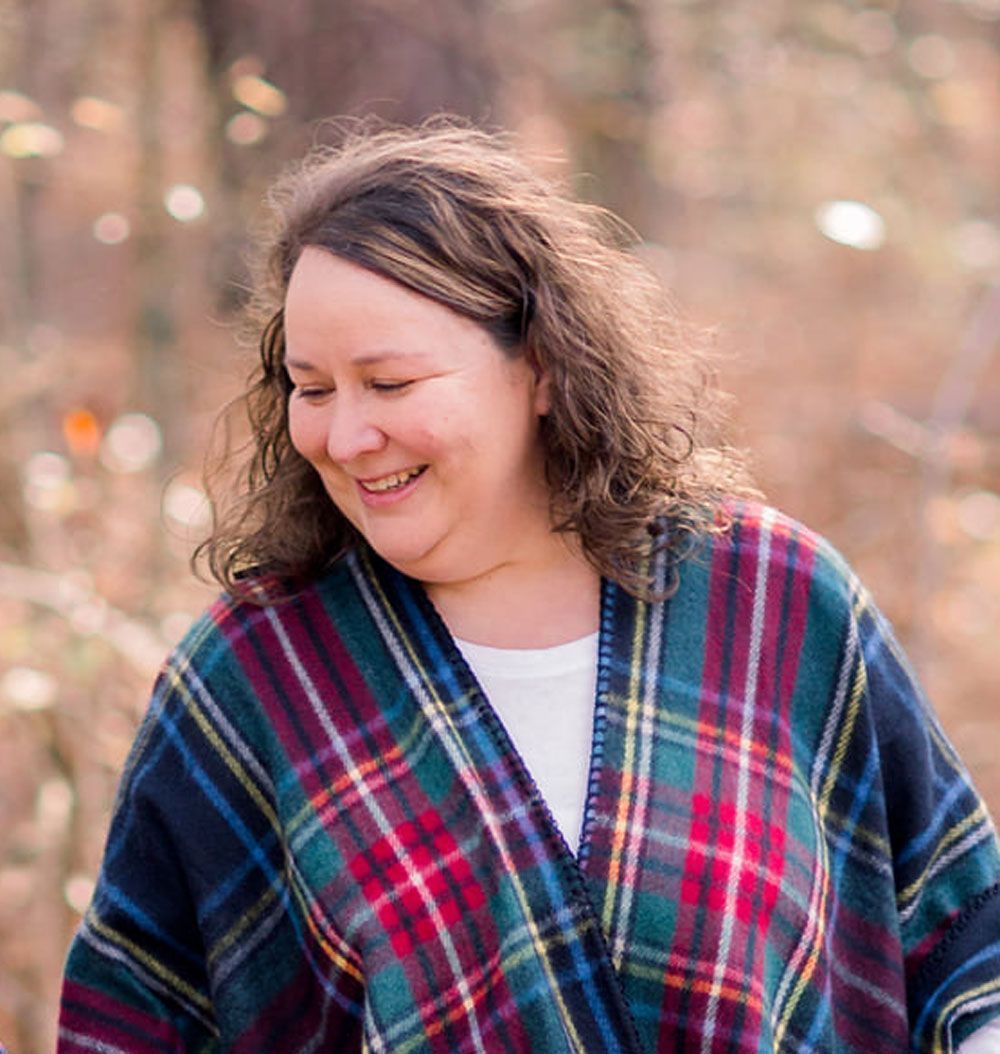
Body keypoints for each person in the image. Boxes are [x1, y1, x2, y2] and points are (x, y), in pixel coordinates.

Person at [58, 119, 1000, 1053]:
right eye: (312, 388)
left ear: (542, 367)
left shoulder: (771, 606)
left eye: (388, 384)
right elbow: (134, 1015)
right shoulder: (261, 676)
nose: (344, 438)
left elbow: (965, 948)